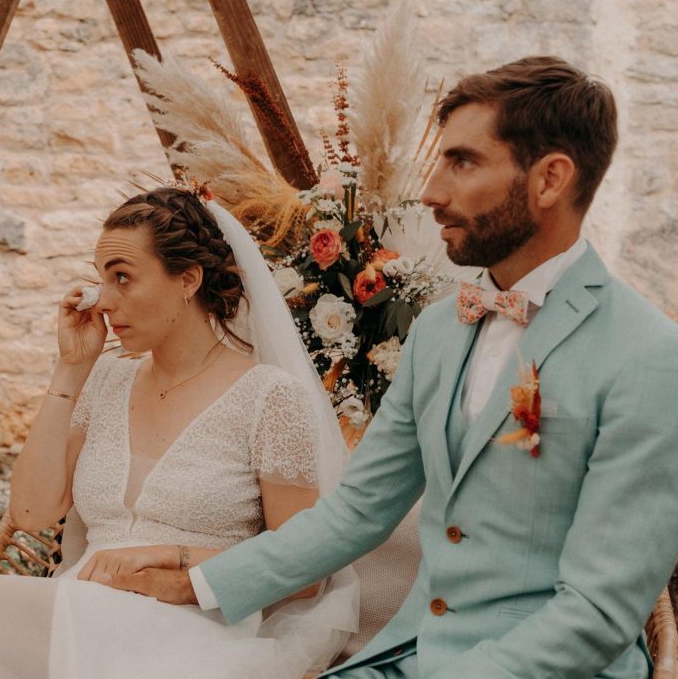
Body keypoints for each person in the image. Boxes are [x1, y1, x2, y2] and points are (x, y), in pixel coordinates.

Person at [105, 57, 678, 679]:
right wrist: (196, 582)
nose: (431, 191)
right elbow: (356, 512)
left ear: (550, 180)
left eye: (462, 162)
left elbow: (598, 613)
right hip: (407, 654)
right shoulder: (437, 330)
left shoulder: (648, 356)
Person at [0, 187, 359, 678]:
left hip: (190, 628)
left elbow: (304, 571)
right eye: (102, 280)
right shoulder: (106, 382)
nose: (103, 301)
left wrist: (169, 557)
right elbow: (33, 511)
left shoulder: (269, 397)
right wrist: (71, 369)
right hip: (82, 612)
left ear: (188, 279)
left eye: (123, 278)